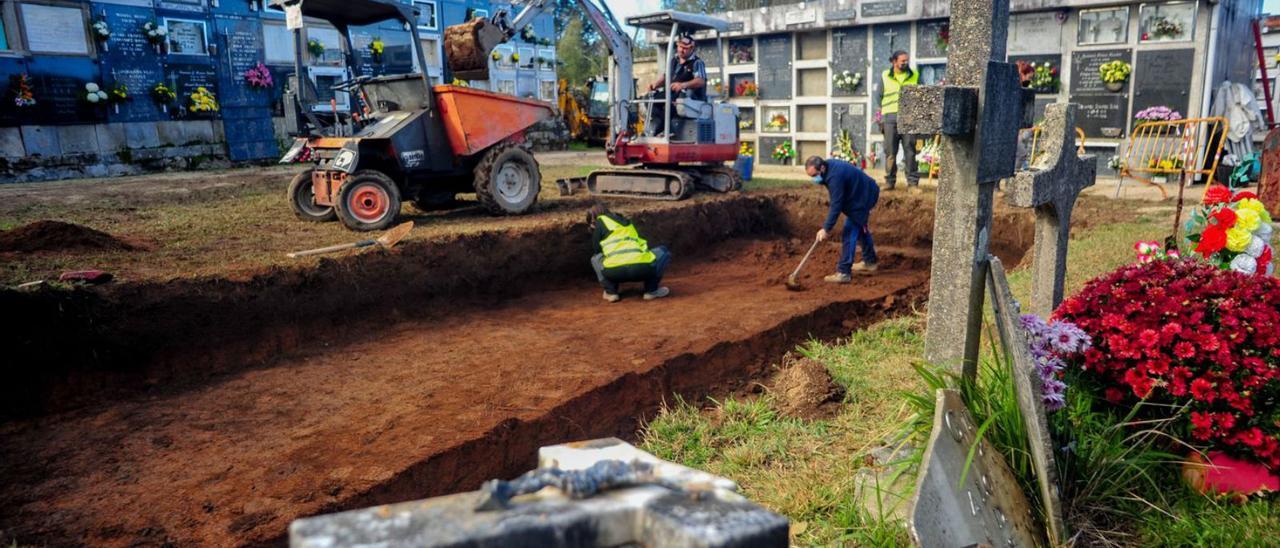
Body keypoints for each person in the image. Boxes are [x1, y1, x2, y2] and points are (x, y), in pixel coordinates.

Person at [804, 156, 880, 283]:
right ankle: (870, 262)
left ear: (822, 167)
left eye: (815, 175)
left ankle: (844, 272)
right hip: (862, 192)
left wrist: (826, 229)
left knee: (849, 232)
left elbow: (836, 205)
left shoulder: (835, 177)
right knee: (861, 228)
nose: (814, 179)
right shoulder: (827, 168)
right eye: (811, 176)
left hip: (863, 197)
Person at [587, 204, 671, 302]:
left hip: (615, 272)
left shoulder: (600, 221)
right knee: (663, 251)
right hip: (642, 269)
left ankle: (611, 293)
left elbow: (597, 250)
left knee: (595, 258)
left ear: (593, 218)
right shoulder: (627, 222)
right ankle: (651, 291)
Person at [873, 50, 921, 190]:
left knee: (910, 151)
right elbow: (879, 96)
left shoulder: (915, 75)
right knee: (890, 152)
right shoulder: (885, 76)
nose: (906, 63)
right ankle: (889, 182)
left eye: (907, 60)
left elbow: (921, 94)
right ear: (894, 61)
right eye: (903, 61)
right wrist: (883, 115)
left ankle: (912, 184)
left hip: (909, 118)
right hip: (890, 118)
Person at [645, 33, 707, 136]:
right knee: (649, 99)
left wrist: (682, 85)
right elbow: (666, 77)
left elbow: (701, 81)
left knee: (673, 102)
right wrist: (655, 85)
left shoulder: (697, 63)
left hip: (691, 96)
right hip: (672, 93)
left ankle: (660, 129)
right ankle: (667, 126)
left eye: (685, 48)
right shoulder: (674, 60)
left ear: (692, 49)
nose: (681, 50)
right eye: (680, 47)